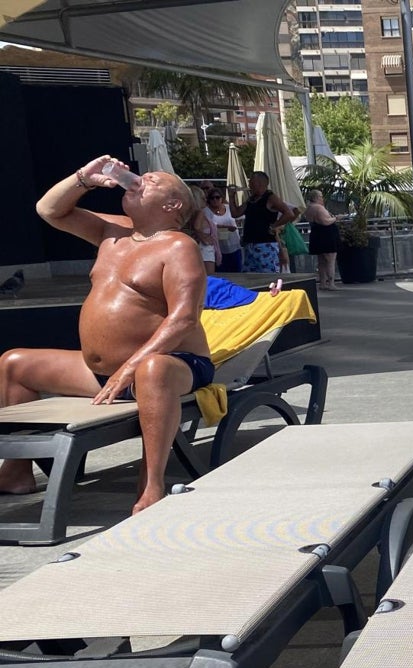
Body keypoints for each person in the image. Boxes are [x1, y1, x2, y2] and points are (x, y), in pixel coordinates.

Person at [0, 157, 212, 514]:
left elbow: (184, 318)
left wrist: (131, 366)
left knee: (152, 370)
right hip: (104, 373)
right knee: (14, 363)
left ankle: (152, 484)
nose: (139, 180)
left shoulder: (178, 247)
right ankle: (17, 471)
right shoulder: (112, 231)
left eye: (152, 180)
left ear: (172, 204)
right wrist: (85, 177)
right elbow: (48, 209)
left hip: (174, 365)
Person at [230, 171, 296, 273]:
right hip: (250, 243)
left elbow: (289, 213)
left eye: (252, 182)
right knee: (249, 274)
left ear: (260, 183)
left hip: (265, 244)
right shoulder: (251, 199)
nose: (249, 185)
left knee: (268, 275)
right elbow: (235, 213)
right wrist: (231, 197)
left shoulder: (270, 197)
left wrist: (274, 225)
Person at [304, 189, 341, 291]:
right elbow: (325, 221)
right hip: (326, 235)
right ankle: (331, 283)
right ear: (315, 198)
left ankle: (322, 282)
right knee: (330, 259)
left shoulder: (309, 208)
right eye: (320, 196)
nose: (322, 198)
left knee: (321, 261)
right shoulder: (318, 208)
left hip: (316, 234)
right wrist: (336, 218)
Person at [207, 188, 242, 273]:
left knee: (237, 272)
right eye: (212, 198)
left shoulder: (229, 208)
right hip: (218, 249)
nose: (215, 200)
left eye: (217, 197)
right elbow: (208, 225)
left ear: (221, 198)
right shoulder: (205, 211)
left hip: (234, 246)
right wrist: (226, 227)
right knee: (222, 274)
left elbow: (240, 216)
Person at [189, 185, 220, 274]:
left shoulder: (188, 214)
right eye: (203, 198)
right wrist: (204, 238)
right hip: (205, 248)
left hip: (195, 246)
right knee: (209, 276)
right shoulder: (200, 212)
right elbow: (196, 227)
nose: (205, 200)